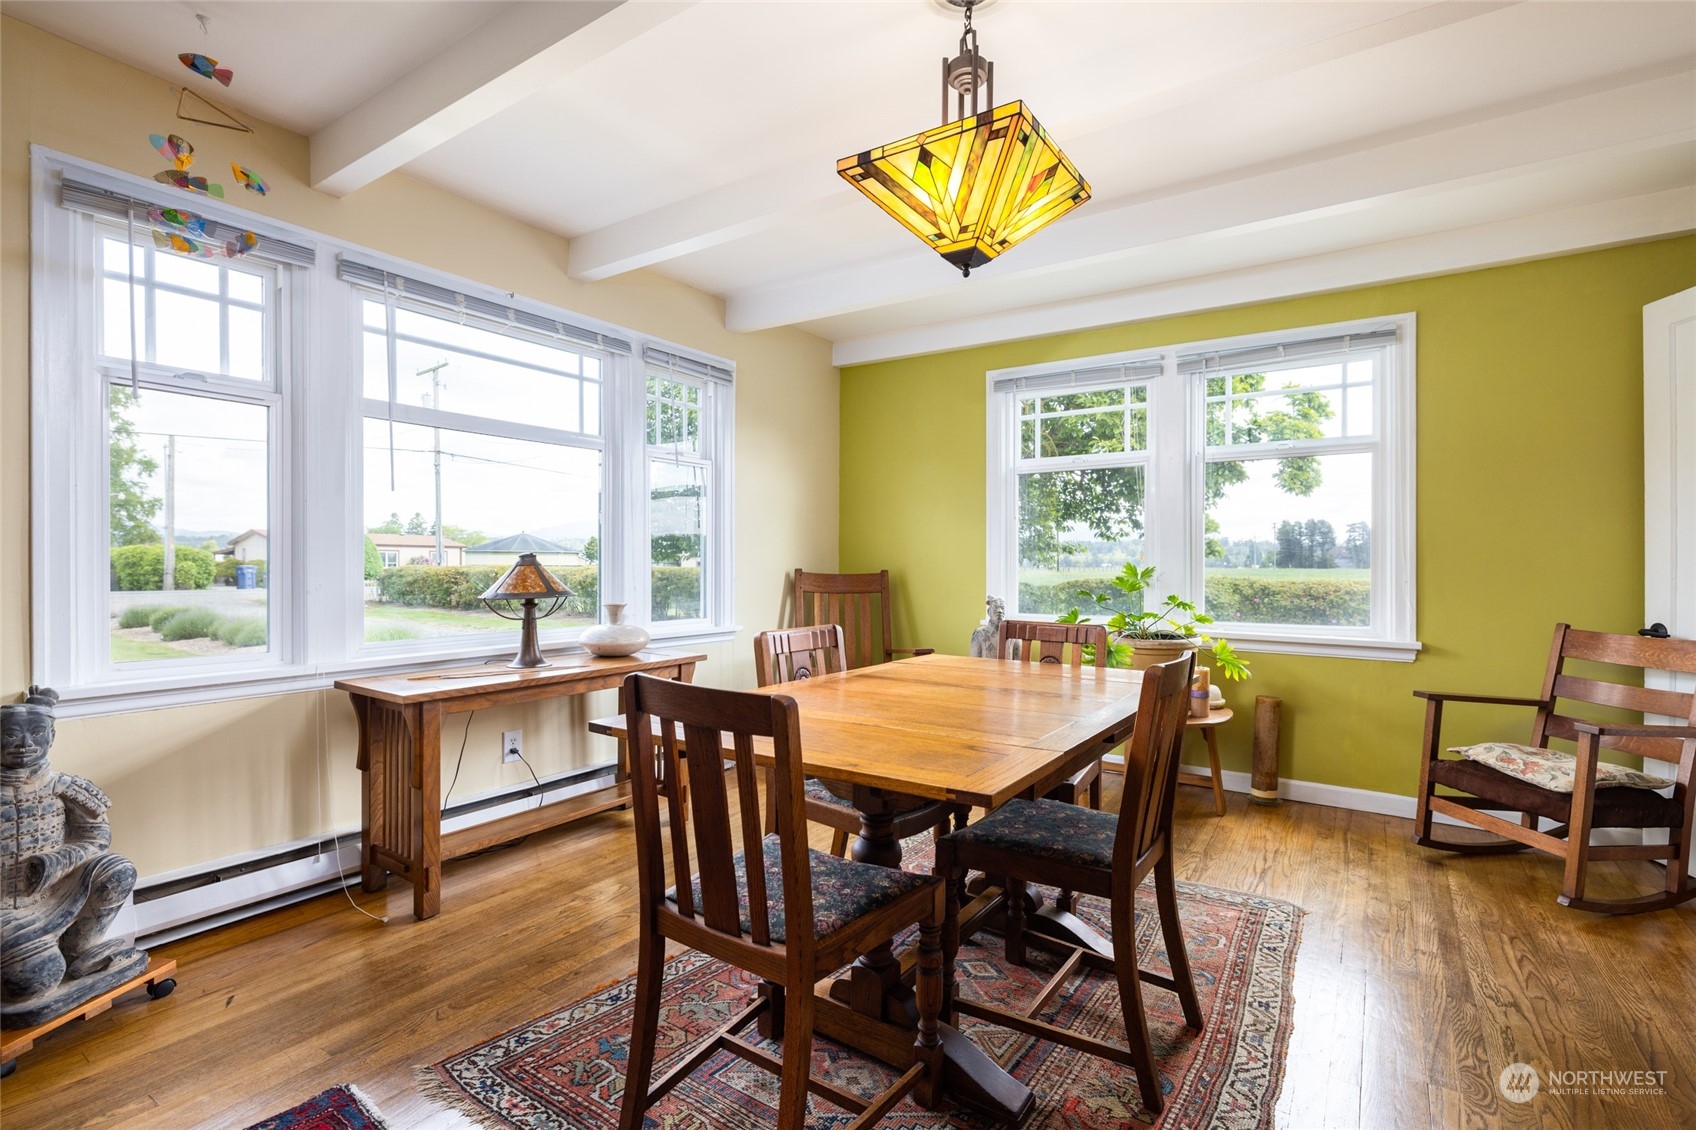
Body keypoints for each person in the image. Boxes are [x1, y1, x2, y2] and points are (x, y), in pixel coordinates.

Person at [1, 686, 148, 1027]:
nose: (25, 745)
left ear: (51, 736)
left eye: (37, 733)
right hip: (7, 912)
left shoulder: (65, 788)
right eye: (11, 735)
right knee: (34, 980)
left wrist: (60, 861)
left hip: (57, 892)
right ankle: (47, 959)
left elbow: (97, 836)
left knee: (117, 869)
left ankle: (81, 948)